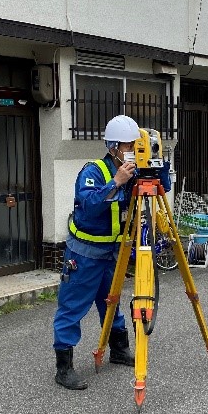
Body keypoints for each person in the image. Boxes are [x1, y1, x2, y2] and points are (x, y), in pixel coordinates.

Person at [52, 114, 170, 389]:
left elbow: (165, 186)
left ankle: (118, 349)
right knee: (72, 307)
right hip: (84, 253)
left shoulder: (135, 170)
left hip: (113, 253)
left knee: (112, 302)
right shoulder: (93, 171)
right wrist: (116, 181)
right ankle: (64, 367)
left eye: (136, 145)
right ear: (113, 147)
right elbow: (91, 205)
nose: (133, 150)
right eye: (129, 146)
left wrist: (157, 160)